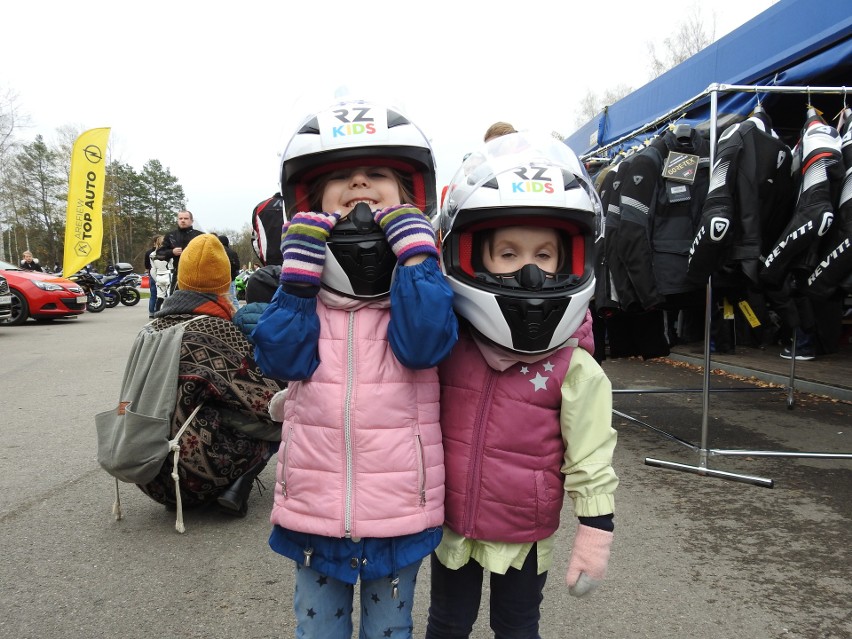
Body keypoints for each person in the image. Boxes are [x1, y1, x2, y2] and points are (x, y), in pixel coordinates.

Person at [250, 98, 458, 639]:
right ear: (312, 200)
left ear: (409, 196)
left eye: (377, 175)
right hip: (316, 508)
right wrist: (297, 284)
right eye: (341, 175)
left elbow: (425, 345)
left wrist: (415, 260)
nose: (359, 183)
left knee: (390, 631)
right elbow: (277, 358)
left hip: (397, 509)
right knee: (316, 631)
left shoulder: (414, 285)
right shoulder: (305, 289)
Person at [426, 132, 618, 639]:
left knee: (516, 627)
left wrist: (596, 534)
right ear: (473, 255)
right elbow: (394, 397)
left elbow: (591, 457)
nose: (530, 273)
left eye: (544, 255)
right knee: (446, 624)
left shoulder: (573, 367)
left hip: (524, 534)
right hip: (452, 528)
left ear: (571, 260)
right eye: (508, 253)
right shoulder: (449, 344)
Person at [135, 233, 285, 517]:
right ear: (224, 282)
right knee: (284, 416)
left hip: (144, 468)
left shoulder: (152, 329)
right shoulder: (215, 331)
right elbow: (269, 402)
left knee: (210, 400)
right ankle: (234, 486)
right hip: (189, 477)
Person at [157, 210, 203, 294]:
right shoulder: (171, 235)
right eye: (180, 218)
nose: (183, 220)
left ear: (191, 221)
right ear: (177, 220)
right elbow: (159, 254)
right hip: (179, 273)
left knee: (197, 302)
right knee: (175, 301)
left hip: (197, 275)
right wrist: (172, 252)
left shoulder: (201, 236)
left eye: (186, 218)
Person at [149, 235, 173, 314]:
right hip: (168, 275)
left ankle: (157, 313)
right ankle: (169, 313)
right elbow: (172, 264)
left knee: (160, 297)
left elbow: (152, 269)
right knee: (170, 296)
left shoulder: (152, 254)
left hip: (159, 276)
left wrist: (156, 279)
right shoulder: (169, 252)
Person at [217, 234, 241, 307]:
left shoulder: (218, 251)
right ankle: (237, 312)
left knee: (220, 298)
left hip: (220, 279)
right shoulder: (233, 252)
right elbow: (237, 266)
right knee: (232, 298)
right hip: (231, 278)